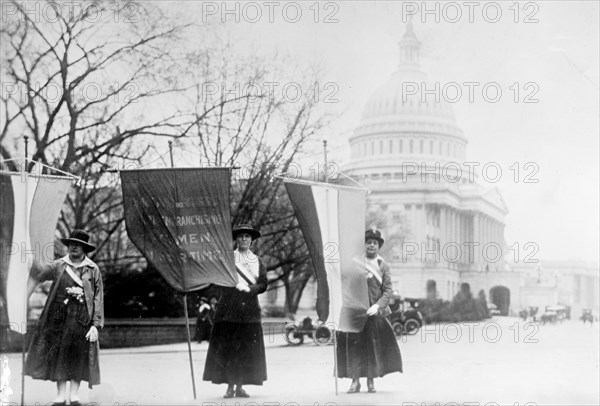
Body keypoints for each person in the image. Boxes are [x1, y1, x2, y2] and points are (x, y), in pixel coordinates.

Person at [25, 229, 104, 406]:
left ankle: (74, 395)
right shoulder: (59, 265)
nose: (74, 248)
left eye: (78, 245)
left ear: (84, 248)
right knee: (59, 355)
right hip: (58, 318)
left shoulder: (93, 269)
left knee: (77, 356)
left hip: (82, 319)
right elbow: (40, 273)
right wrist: (30, 258)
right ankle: (60, 395)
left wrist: (96, 324)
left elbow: (98, 298)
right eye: (71, 245)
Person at [203, 224, 268, 398]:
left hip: (250, 312)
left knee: (246, 352)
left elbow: (263, 283)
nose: (244, 239)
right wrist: (234, 285)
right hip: (229, 311)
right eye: (240, 237)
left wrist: (251, 289)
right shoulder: (228, 259)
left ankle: (239, 386)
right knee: (230, 351)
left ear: (252, 241)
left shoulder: (258, 261)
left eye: (247, 236)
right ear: (236, 240)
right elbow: (217, 280)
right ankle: (230, 386)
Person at [336, 229, 402, 393]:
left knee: (373, 346)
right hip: (355, 312)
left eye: (375, 243)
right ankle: (354, 381)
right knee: (354, 346)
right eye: (368, 242)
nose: (371, 245)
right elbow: (345, 285)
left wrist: (378, 306)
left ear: (378, 247)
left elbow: (387, 290)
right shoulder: (354, 263)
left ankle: (371, 381)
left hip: (374, 313)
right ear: (364, 245)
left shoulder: (382, 265)